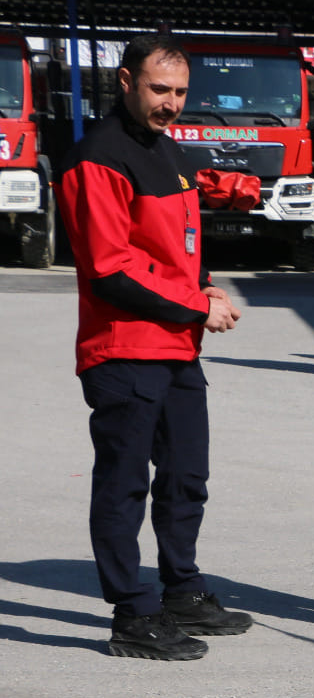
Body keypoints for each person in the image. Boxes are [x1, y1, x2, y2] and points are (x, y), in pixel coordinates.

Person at [58, 34, 249, 661]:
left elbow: (172, 248)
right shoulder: (98, 159)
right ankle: (131, 615)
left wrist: (203, 285)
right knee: (123, 485)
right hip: (123, 350)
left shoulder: (166, 151)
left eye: (180, 92)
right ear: (125, 83)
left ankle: (181, 590)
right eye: (158, 89)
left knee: (186, 475)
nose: (170, 103)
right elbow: (111, 269)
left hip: (174, 348)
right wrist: (198, 304)